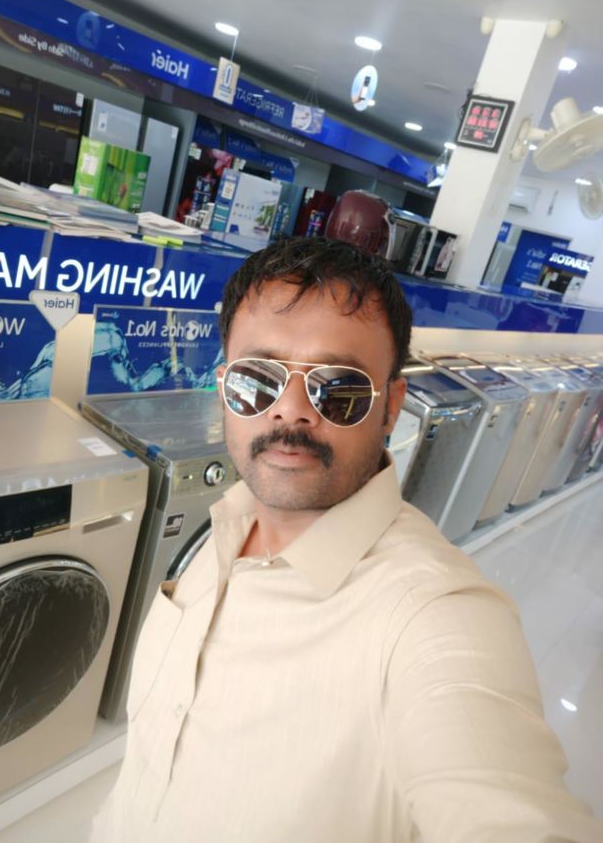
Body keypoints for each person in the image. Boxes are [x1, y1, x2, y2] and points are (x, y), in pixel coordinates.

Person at [91, 237, 600, 842]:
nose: (290, 411)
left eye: (338, 388)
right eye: (258, 379)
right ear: (224, 387)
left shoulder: (434, 617)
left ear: (391, 407)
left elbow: (505, 806)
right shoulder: (228, 523)